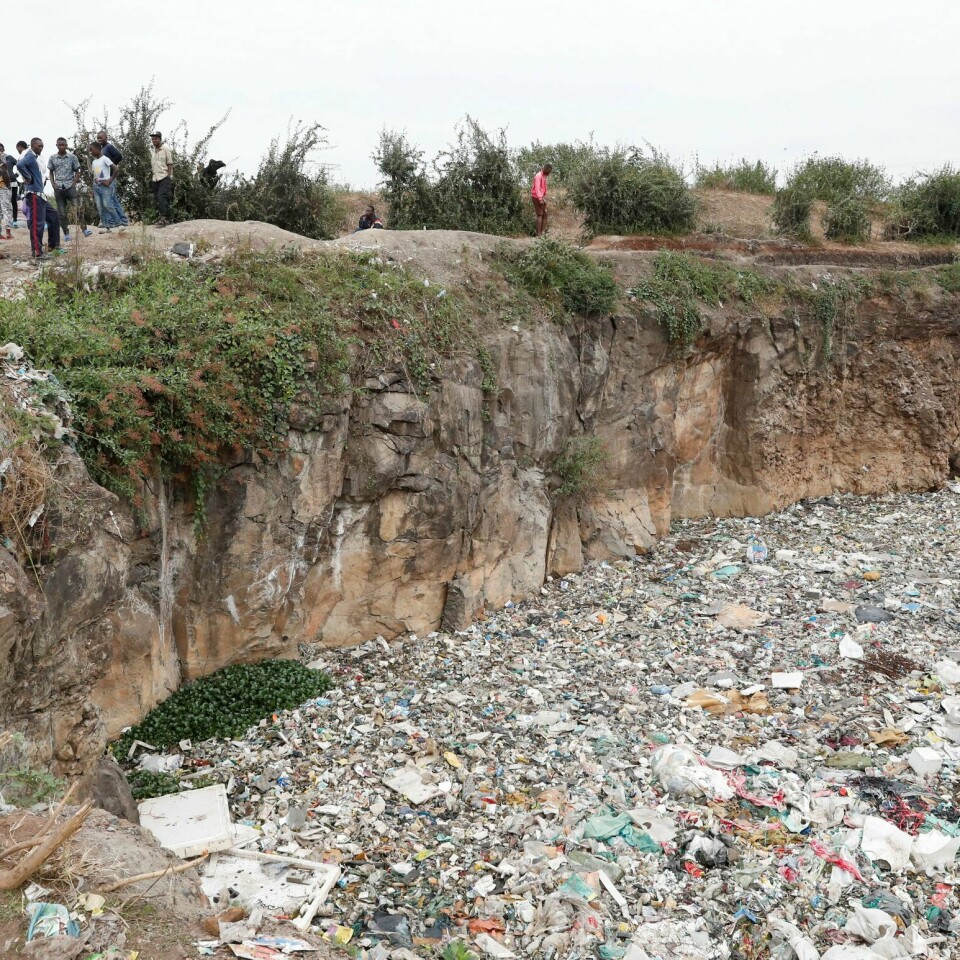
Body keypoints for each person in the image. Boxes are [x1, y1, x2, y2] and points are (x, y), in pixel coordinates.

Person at [17, 137, 60, 258]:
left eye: (42, 146)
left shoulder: (35, 158)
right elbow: (20, 165)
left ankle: (52, 245)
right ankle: (37, 252)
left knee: (53, 215)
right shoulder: (30, 155)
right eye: (38, 146)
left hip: (40, 195)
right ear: (32, 145)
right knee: (37, 224)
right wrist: (28, 177)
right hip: (34, 194)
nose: (40, 148)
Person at [48, 138, 91, 241]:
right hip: (58, 188)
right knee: (62, 212)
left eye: (63, 145)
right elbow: (50, 172)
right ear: (56, 145)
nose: (61, 147)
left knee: (77, 208)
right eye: (59, 145)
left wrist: (74, 183)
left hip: (70, 187)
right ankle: (66, 233)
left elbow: (78, 171)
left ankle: (84, 229)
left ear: (66, 145)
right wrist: (53, 184)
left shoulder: (72, 157)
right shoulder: (52, 158)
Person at [95, 130, 129, 227]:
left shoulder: (109, 147)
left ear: (106, 137)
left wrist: (110, 165)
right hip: (104, 178)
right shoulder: (102, 149)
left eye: (101, 137)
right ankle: (115, 221)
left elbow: (119, 156)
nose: (99, 139)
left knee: (111, 200)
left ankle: (120, 220)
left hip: (110, 178)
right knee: (110, 199)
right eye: (98, 138)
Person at [89, 143, 124, 232]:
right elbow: (95, 174)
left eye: (92, 149)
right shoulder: (94, 162)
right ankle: (106, 227)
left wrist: (110, 180)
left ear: (98, 149)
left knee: (107, 205)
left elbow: (116, 169)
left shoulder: (105, 159)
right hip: (96, 186)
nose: (91, 152)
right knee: (100, 207)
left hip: (105, 186)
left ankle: (119, 224)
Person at [149, 131, 173, 225]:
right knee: (158, 199)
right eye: (152, 139)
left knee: (161, 197)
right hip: (155, 178)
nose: (154, 140)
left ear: (160, 139)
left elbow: (170, 163)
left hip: (164, 177)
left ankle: (164, 218)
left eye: (156, 138)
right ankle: (168, 218)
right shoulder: (153, 152)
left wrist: (169, 177)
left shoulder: (165, 150)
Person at [531, 162, 552, 237]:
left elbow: (542, 188)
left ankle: (542, 234)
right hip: (536, 197)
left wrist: (543, 197)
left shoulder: (544, 176)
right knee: (540, 215)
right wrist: (540, 199)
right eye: (549, 172)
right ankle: (538, 235)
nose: (549, 173)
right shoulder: (538, 176)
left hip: (541, 197)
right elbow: (537, 188)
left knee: (545, 215)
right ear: (545, 169)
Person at [1, 144, 19, 228]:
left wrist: (16, 175)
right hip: (2, 184)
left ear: (4, 149)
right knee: (4, 204)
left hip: (12, 182)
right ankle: (5, 222)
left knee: (13, 201)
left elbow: (20, 165)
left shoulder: (9, 157)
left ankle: (14, 220)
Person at [0, 162, 12, 240]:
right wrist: (8, 185)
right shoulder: (2, 164)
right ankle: (8, 232)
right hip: (3, 187)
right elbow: (4, 173)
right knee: (7, 209)